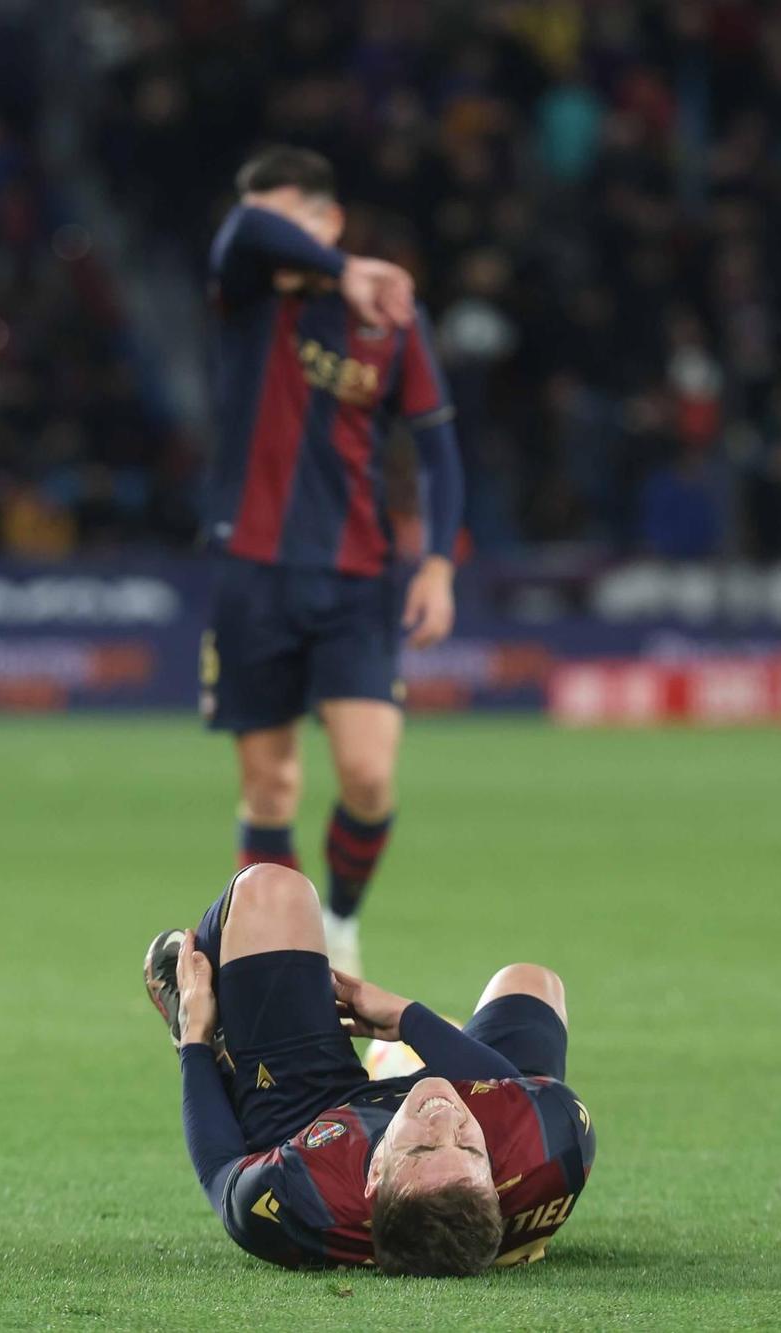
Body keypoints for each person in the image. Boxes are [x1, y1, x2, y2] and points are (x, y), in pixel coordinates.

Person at [199, 146, 467, 976]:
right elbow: (245, 227)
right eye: (275, 226)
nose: (280, 238)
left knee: (367, 773)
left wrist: (437, 565)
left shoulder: (391, 320)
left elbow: (438, 452)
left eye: (297, 223)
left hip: (356, 574)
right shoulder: (250, 295)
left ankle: (341, 922)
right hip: (253, 569)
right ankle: (272, 966)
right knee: (271, 790)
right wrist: (343, 268)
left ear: (331, 216)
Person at [142, 864, 594, 1275]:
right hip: (472, 1125)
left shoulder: (305, 1200)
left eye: (422, 1149)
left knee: (273, 890)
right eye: (468, 1149)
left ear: (376, 1174)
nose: (444, 1121)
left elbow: (222, 1170)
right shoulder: (550, 1151)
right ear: (494, 1186)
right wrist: (406, 1018)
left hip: (310, 1114)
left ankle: (228, 1047)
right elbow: (512, 1088)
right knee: (532, 983)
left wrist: (195, 1039)